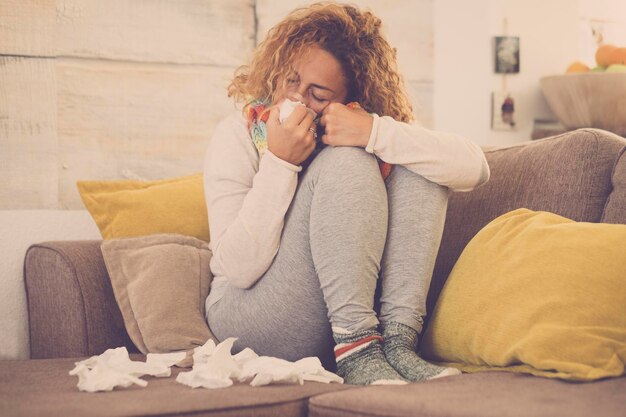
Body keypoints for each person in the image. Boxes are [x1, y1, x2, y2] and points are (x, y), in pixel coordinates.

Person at [203, 2, 490, 385]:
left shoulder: (363, 127)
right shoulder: (236, 134)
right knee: (347, 161)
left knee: (418, 163)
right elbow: (235, 269)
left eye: (317, 95)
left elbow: (474, 167)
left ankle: (397, 343)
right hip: (248, 314)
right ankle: (357, 348)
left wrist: (372, 132)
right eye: (290, 81)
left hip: (338, 327)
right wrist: (280, 162)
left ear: (353, 100)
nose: (296, 101)